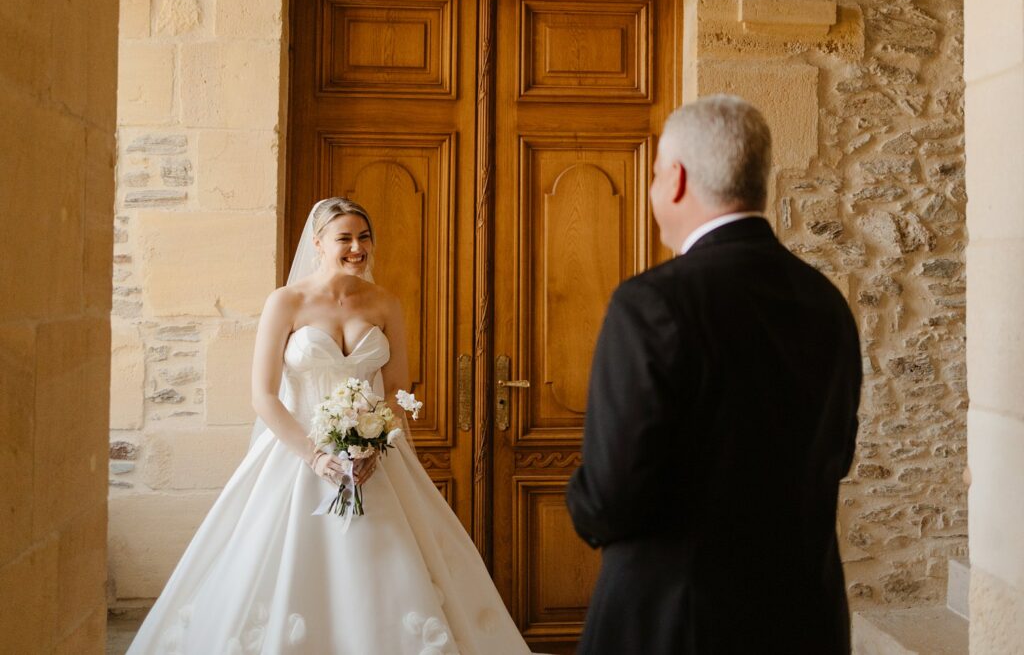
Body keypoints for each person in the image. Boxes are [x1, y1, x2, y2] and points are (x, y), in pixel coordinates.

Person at [128, 198, 530, 655]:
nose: (357, 247)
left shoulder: (385, 304)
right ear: (318, 243)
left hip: (372, 457)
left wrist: (375, 444)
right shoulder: (286, 302)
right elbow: (263, 395)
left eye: (364, 236)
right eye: (345, 238)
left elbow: (397, 387)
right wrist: (315, 456)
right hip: (297, 456)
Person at [565, 95, 862, 654]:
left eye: (654, 173)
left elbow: (610, 497)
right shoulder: (826, 302)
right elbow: (836, 455)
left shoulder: (651, 302)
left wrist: (581, 504)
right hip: (806, 619)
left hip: (680, 624)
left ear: (674, 180)